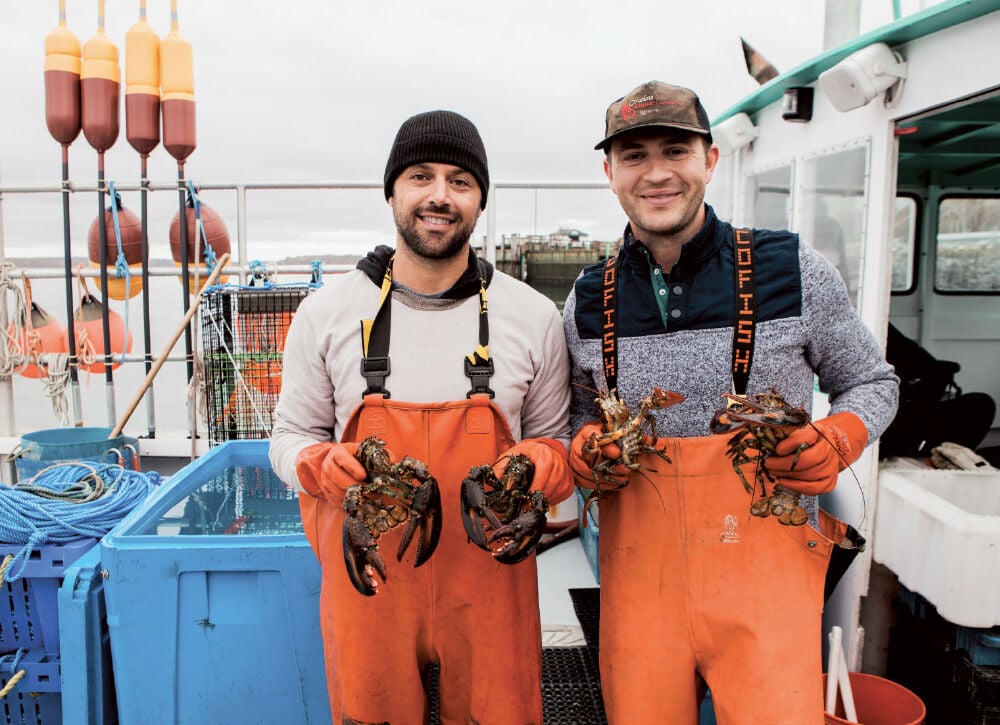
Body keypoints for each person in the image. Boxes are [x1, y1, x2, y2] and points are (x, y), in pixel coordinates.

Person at [562, 81, 900, 724]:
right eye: (633, 155)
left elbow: (873, 382)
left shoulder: (794, 269)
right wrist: (582, 450)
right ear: (610, 172)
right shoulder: (585, 298)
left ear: (710, 160)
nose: (656, 172)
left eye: (675, 150)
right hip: (638, 599)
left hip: (767, 596)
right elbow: (577, 418)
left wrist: (839, 437)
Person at [269, 110, 574, 724]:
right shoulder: (325, 313)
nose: (440, 196)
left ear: (481, 200)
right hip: (371, 579)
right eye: (421, 176)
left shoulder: (533, 315)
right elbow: (289, 436)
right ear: (391, 192)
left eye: (461, 181)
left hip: (491, 585)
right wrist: (315, 464)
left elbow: (557, 441)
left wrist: (544, 462)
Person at [880, 322, 995, 458]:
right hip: (884, 420)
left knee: (980, 404)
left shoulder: (880, 326)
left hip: (906, 411)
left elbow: (918, 358)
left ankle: (950, 460)